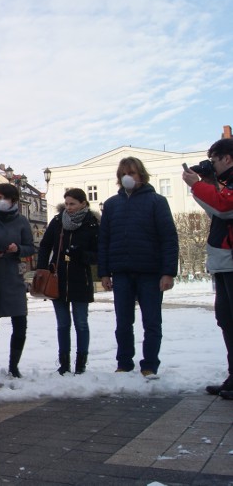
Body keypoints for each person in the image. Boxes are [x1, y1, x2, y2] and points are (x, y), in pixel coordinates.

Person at [99, 157, 178, 378]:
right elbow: (104, 240)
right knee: (123, 323)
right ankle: (124, 363)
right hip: (122, 272)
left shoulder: (157, 201)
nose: (128, 177)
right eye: (124, 173)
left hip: (150, 272)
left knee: (152, 322)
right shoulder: (112, 204)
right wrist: (104, 272)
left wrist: (168, 272)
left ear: (141, 175)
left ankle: (149, 365)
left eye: (132, 173)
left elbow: (169, 239)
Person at [183, 139, 233, 397]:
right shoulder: (224, 186)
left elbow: (225, 208)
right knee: (226, 318)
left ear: (227, 158)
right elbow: (217, 210)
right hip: (224, 261)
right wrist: (203, 187)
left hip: (230, 261)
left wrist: (199, 185)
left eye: (213, 161)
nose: (210, 165)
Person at [36, 188, 99, 376]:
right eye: (67, 204)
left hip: (81, 279)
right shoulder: (58, 221)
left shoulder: (92, 223)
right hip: (58, 278)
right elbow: (45, 245)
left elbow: (98, 254)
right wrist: (43, 268)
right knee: (63, 324)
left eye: (73, 204)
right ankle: (64, 363)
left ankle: (81, 363)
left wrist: (81, 254)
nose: (69, 208)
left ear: (83, 204)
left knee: (81, 323)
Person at [0, 183, 36, 378]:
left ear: (14, 201)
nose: (1, 201)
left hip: (13, 277)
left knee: (20, 322)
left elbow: (30, 247)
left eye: (6, 198)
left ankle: (14, 366)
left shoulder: (21, 221)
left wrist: (16, 249)